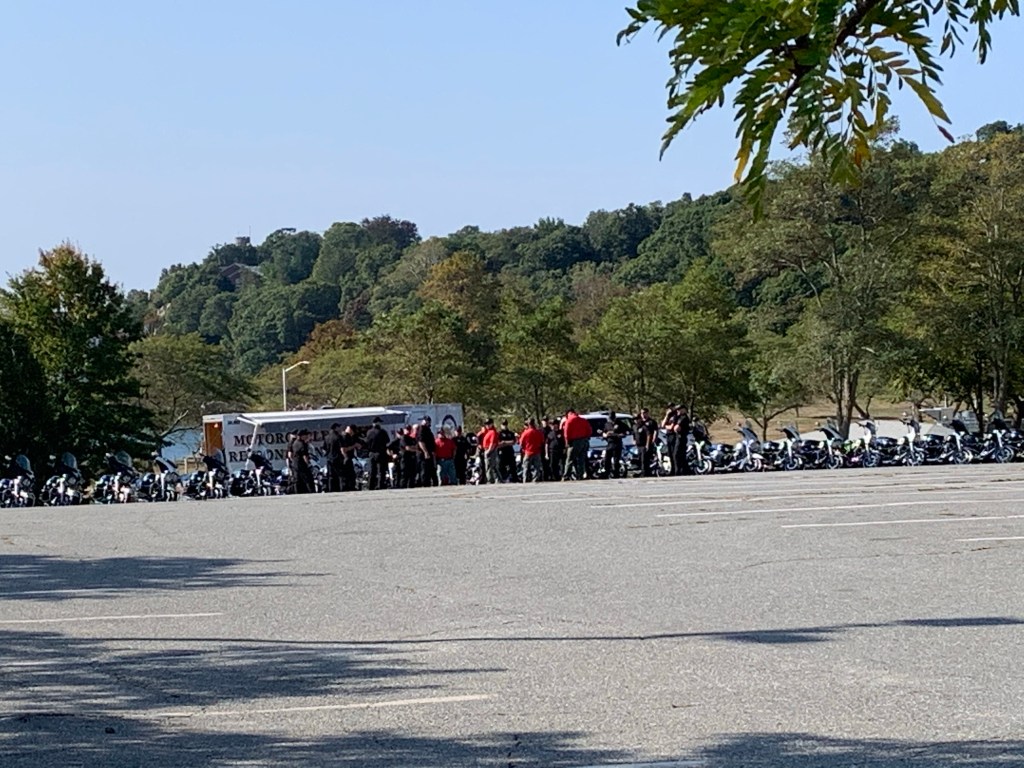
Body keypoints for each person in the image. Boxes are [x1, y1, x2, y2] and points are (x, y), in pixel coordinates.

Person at [561, 408, 592, 480]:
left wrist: (567, 443)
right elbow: (589, 431)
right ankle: (580, 475)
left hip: (574, 442)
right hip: (583, 441)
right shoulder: (583, 420)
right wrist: (586, 439)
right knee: (581, 459)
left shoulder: (569, 421)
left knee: (569, 459)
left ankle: (566, 475)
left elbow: (566, 433)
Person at [364, 417, 390, 490]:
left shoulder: (369, 432)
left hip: (371, 453)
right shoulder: (382, 432)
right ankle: (380, 485)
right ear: (378, 423)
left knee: (372, 471)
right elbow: (387, 441)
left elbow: (366, 443)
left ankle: (370, 486)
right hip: (380, 453)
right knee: (381, 471)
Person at [518, 418, 545, 483]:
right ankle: (535, 479)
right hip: (536, 452)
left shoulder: (525, 432)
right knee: (536, 467)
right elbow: (542, 441)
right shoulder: (538, 432)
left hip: (528, 452)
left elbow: (521, 443)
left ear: (528, 424)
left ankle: (525, 479)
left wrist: (524, 449)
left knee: (526, 467)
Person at [635, 407, 659, 477]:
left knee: (646, 459)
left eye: (644, 413)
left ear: (647, 413)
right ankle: (643, 471)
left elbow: (655, 431)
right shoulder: (640, 422)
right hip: (641, 443)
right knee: (641, 458)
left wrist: (654, 439)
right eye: (642, 413)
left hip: (648, 443)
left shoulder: (652, 422)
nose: (643, 415)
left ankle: (646, 473)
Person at [338, 424, 362, 491]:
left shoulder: (347, 436)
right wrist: (354, 446)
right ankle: (347, 487)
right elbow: (343, 449)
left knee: (351, 474)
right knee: (348, 475)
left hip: (348, 458)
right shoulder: (345, 436)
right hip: (346, 458)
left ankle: (350, 487)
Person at [290, 429, 315, 494]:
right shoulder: (302, 444)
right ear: (302, 436)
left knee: (297, 480)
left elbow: (291, 455)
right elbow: (304, 456)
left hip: (295, 464)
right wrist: (308, 464)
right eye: (305, 435)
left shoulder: (294, 443)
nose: (306, 437)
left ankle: (297, 492)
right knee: (308, 479)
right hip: (302, 464)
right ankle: (311, 491)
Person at [602, 413, 625, 478]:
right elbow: (604, 432)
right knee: (607, 459)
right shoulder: (607, 424)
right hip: (609, 443)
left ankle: (616, 474)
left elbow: (624, 433)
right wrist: (605, 435)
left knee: (616, 460)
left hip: (617, 443)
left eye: (612, 418)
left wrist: (615, 434)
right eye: (610, 418)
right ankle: (607, 473)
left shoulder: (620, 424)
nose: (611, 419)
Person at [322, 423, 344, 492]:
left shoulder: (326, 437)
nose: (340, 428)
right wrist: (344, 456)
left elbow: (324, 449)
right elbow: (342, 448)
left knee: (331, 475)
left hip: (329, 458)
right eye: (339, 427)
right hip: (337, 458)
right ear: (336, 428)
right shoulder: (338, 437)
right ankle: (340, 488)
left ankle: (331, 489)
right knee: (339, 475)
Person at [418, 416, 438, 487]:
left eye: (428, 421)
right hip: (424, 454)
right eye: (426, 421)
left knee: (432, 470)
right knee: (425, 470)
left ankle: (432, 484)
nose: (428, 423)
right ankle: (425, 484)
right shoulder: (422, 429)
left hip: (430, 453)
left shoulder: (428, 430)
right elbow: (421, 442)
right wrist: (425, 452)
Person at [479, 418, 500, 484]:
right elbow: (478, 436)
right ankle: (495, 479)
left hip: (491, 450)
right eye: (486, 424)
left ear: (492, 424)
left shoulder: (493, 432)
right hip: (487, 449)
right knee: (490, 466)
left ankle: (491, 480)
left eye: (489, 424)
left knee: (490, 466)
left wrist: (488, 451)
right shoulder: (487, 432)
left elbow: (492, 443)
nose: (487, 425)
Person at [674, 406, 693, 475]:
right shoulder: (679, 417)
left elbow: (676, 428)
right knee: (682, 455)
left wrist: (675, 428)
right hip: (681, 437)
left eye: (679, 409)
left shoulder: (683, 418)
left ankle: (678, 470)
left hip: (681, 437)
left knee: (677, 454)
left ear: (684, 410)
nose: (678, 411)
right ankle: (685, 470)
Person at [545, 416, 564, 481]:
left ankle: (562, 476)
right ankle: (555, 477)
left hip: (560, 450)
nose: (553, 426)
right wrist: (546, 454)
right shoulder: (550, 433)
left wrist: (564, 449)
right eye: (552, 425)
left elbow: (564, 441)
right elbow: (546, 444)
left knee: (561, 464)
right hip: (552, 451)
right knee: (552, 464)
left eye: (554, 424)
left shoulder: (561, 432)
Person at [662, 406, 679, 476]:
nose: (670, 409)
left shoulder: (675, 416)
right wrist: (666, 415)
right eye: (669, 408)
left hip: (673, 435)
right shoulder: (668, 416)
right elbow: (662, 424)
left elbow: (671, 427)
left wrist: (666, 426)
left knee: (673, 453)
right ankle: (672, 469)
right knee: (670, 454)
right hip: (668, 435)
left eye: (671, 408)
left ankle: (676, 470)